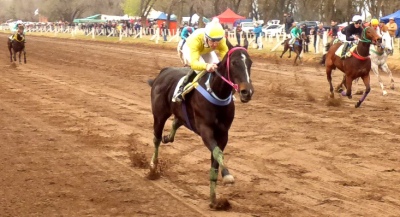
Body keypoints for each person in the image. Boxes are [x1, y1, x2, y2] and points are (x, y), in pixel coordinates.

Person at [172, 17, 228, 102]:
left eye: (218, 41)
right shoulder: (196, 39)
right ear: (206, 37)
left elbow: (226, 60)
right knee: (201, 71)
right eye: (212, 41)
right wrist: (206, 66)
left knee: (217, 67)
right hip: (190, 48)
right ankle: (180, 89)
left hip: (206, 50)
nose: (215, 44)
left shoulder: (221, 40)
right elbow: (194, 64)